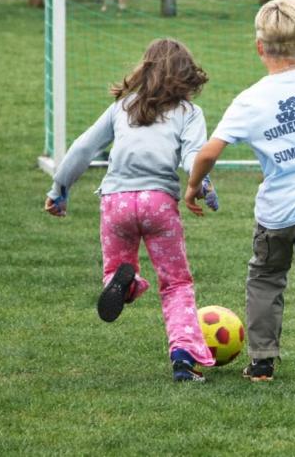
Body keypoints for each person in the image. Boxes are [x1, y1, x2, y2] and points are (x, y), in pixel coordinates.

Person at [184, 0, 295, 386]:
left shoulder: (251, 99)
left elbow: (208, 152)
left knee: (266, 277)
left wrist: (193, 185)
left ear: (259, 47)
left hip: (279, 210)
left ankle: (262, 363)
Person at [44, 38, 216, 382]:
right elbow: (193, 157)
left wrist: (59, 188)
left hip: (115, 203)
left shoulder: (122, 108)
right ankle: (183, 357)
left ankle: (127, 284)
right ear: (186, 76)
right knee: (176, 283)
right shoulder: (189, 113)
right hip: (158, 204)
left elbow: (83, 147)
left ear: (145, 69)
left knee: (116, 268)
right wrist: (203, 187)